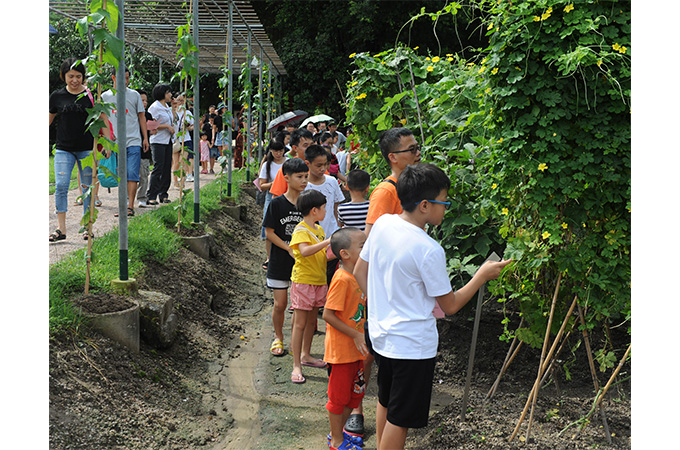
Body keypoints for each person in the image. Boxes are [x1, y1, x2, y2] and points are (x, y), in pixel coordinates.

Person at [354, 163, 512, 450]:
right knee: (400, 419)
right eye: (444, 201)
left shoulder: (385, 224)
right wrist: (481, 275)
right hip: (412, 346)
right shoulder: (428, 249)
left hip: (380, 334)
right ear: (425, 205)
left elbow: (359, 272)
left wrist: (381, 302)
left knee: (385, 400)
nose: (446, 208)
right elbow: (450, 305)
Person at [49, 57, 111, 241]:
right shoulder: (56, 96)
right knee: (61, 186)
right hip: (63, 149)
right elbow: (48, 119)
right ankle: (61, 228)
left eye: (78, 76)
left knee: (87, 188)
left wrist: (107, 142)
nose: (74, 80)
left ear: (83, 77)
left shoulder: (91, 96)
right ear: (64, 76)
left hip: (87, 149)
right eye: (70, 76)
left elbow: (103, 119)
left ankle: (87, 227)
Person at [323, 227, 368, 450]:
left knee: (355, 395)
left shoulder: (357, 276)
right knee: (338, 399)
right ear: (345, 254)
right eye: (362, 246)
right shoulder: (341, 279)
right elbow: (328, 314)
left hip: (355, 351)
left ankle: (338, 434)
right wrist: (356, 334)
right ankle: (337, 441)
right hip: (341, 354)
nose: (367, 249)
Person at [262, 158, 308, 358]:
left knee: (299, 306)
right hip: (280, 259)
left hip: (302, 262)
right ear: (286, 178)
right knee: (280, 304)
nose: (304, 181)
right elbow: (269, 232)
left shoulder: (308, 203)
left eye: (306, 176)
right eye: (300, 177)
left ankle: (295, 341)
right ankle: (278, 336)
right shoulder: (276, 203)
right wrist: (288, 248)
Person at [289, 189, 332, 384]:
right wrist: (328, 242)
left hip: (318, 281)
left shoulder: (318, 229)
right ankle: (296, 364)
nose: (325, 211)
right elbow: (305, 252)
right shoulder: (301, 230)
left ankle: (306, 355)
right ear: (314, 210)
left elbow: (322, 255)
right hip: (304, 281)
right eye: (323, 208)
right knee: (300, 324)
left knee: (312, 322)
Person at [101, 67, 149, 217]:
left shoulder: (134, 95)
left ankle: (130, 206)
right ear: (113, 78)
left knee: (132, 173)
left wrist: (145, 137)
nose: (126, 81)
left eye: (128, 78)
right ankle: (122, 205)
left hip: (133, 140)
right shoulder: (105, 97)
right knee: (120, 174)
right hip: (115, 143)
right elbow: (103, 119)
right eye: (123, 78)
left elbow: (141, 117)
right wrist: (107, 139)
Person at [304, 144, 346, 284]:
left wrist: (339, 228)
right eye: (318, 165)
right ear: (307, 163)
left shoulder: (332, 182)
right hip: (309, 240)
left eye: (325, 165)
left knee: (329, 275)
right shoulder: (303, 186)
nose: (323, 169)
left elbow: (336, 207)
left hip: (330, 237)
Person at [258, 140, 288, 270]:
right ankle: (269, 257)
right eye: (276, 151)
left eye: (281, 150)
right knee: (269, 226)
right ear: (271, 151)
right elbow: (261, 185)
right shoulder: (267, 165)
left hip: (287, 195)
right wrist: (275, 183)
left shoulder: (288, 163)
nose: (278, 153)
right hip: (272, 196)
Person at [146, 83, 176, 205]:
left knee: (166, 168)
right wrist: (167, 126)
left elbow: (173, 120)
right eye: (169, 92)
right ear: (163, 93)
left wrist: (173, 109)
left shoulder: (167, 107)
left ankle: (163, 194)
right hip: (157, 141)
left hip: (167, 140)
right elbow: (150, 124)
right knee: (158, 167)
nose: (171, 95)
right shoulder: (154, 107)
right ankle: (151, 195)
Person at [269, 128, 314, 197]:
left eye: (311, 144)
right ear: (295, 148)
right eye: (305, 145)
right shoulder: (287, 168)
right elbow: (276, 197)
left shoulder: (318, 166)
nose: (310, 148)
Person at [136, 89, 155, 208]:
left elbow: (152, 131)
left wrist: (153, 131)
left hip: (144, 148)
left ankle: (142, 197)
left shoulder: (148, 115)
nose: (144, 103)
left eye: (145, 100)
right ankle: (128, 198)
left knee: (144, 174)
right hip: (132, 146)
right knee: (130, 175)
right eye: (141, 100)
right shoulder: (130, 114)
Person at [172, 93, 194, 187]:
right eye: (179, 100)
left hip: (186, 138)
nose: (181, 102)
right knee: (176, 162)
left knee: (183, 160)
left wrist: (188, 128)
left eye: (182, 100)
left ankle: (183, 180)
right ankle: (175, 181)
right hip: (175, 139)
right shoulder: (172, 112)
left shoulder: (187, 113)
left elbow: (193, 126)